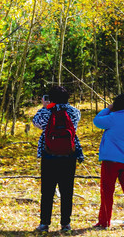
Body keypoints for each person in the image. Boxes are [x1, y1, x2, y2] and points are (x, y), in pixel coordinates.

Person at [33, 85, 84, 233]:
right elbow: (74, 124)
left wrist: (45, 106)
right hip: (69, 155)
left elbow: (36, 122)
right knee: (67, 191)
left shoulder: (47, 111)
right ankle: (66, 224)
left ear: (51, 98)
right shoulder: (74, 112)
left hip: (49, 155)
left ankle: (44, 224)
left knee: (47, 191)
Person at [93, 93, 124, 228]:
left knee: (107, 192)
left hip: (111, 160)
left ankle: (104, 221)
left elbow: (97, 121)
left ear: (116, 105)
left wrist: (108, 108)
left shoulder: (112, 117)